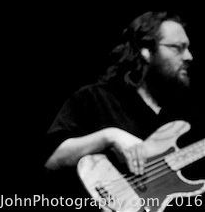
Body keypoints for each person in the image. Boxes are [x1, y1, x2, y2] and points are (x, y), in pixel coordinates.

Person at [43, 11, 201, 200]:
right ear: (146, 51)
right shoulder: (96, 98)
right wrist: (108, 136)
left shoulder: (185, 113)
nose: (189, 56)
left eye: (188, 48)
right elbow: (52, 159)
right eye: (178, 48)